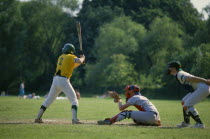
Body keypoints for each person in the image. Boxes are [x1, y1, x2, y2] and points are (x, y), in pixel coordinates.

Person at [35, 43, 85, 124]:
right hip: (64, 80)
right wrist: (82, 59)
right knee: (74, 100)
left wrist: (81, 60)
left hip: (56, 80)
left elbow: (72, 65)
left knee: (49, 100)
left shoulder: (61, 57)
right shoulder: (71, 56)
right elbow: (78, 61)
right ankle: (74, 120)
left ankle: (37, 118)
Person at [167, 61, 210, 128]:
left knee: (188, 105)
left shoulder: (179, 74)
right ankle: (186, 123)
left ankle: (200, 124)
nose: (168, 69)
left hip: (202, 89)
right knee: (184, 102)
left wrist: (206, 81)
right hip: (201, 88)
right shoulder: (180, 73)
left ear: (174, 68)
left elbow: (192, 78)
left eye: (169, 67)